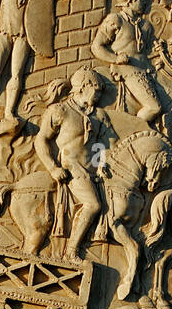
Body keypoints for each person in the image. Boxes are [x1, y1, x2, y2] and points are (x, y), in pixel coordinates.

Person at [34, 66, 113, 262]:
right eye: (97, 90)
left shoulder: (99, 115)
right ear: (84, 87)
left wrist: (100, 163)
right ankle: (71, 251)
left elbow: (99, 144)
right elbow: (41, 140)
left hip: (92, 169)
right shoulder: (60, 110)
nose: (99, 95)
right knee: (93, 205)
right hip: (71, 167)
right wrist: (53, 167)